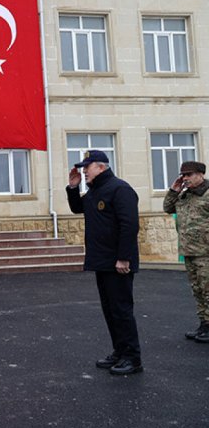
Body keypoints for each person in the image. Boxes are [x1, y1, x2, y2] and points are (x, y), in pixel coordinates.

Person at [67, 150, 142, 376]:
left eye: (86, 168)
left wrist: (124, 257)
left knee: (121, 310)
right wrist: (73, 187)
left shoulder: (120, 189)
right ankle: (119, 352)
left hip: (117, 262)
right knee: (110, 310)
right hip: (102, 261)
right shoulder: (95, 191)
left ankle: (132, 357)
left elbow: (129, 225)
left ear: (100, 167)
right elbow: (78, 208)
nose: (84, 172)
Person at [163, 161, 209, 342]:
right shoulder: (184, 196)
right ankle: (204, 324)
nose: (185, 178)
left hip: (206, 252)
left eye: (189, 175)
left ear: (200, 174)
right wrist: (174, 191)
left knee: (208, 290)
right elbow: (167, 208)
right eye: (183, 175)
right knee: (197, 289)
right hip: (189, 250)